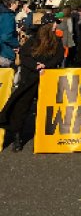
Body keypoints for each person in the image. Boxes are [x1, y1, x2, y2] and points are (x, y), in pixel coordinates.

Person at [0, 22, 64, 152]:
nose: (55, 27)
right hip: (29, 78)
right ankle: (17, 137)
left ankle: (48, 137)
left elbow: (59, 57)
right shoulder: (33, 40)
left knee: (48, 109)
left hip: (47, 78)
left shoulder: (57, 41)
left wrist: (45, 65)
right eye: (53, 25)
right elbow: (24, 56)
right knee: (21, 108)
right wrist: (36, 65)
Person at [0, 0, 20, 68]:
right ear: (12, 4)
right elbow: (5, 37)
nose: (18, 5)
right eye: (17, 3)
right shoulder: (8, 16)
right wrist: (16, 44)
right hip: (4, 53)